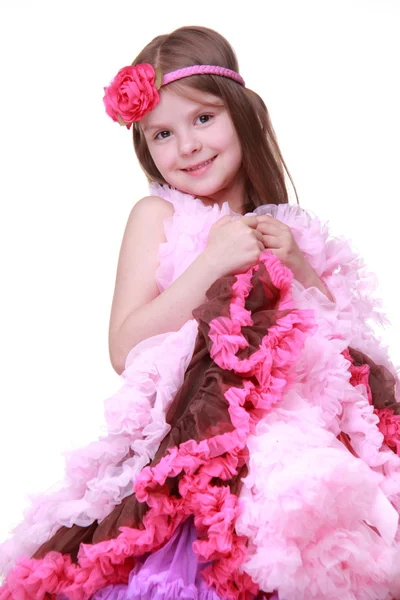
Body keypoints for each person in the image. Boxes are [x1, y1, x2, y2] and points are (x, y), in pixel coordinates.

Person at [1, 24, 400, 600]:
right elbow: (123, 345)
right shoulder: (155, 217)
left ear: (243, 116)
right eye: (162, 133)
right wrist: (209, 264)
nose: (186, 145)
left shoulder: (286, 227)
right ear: (146, 147)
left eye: (203, 119)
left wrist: (298, 267)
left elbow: (347, 350)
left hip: (298, 456)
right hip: (197, 449)